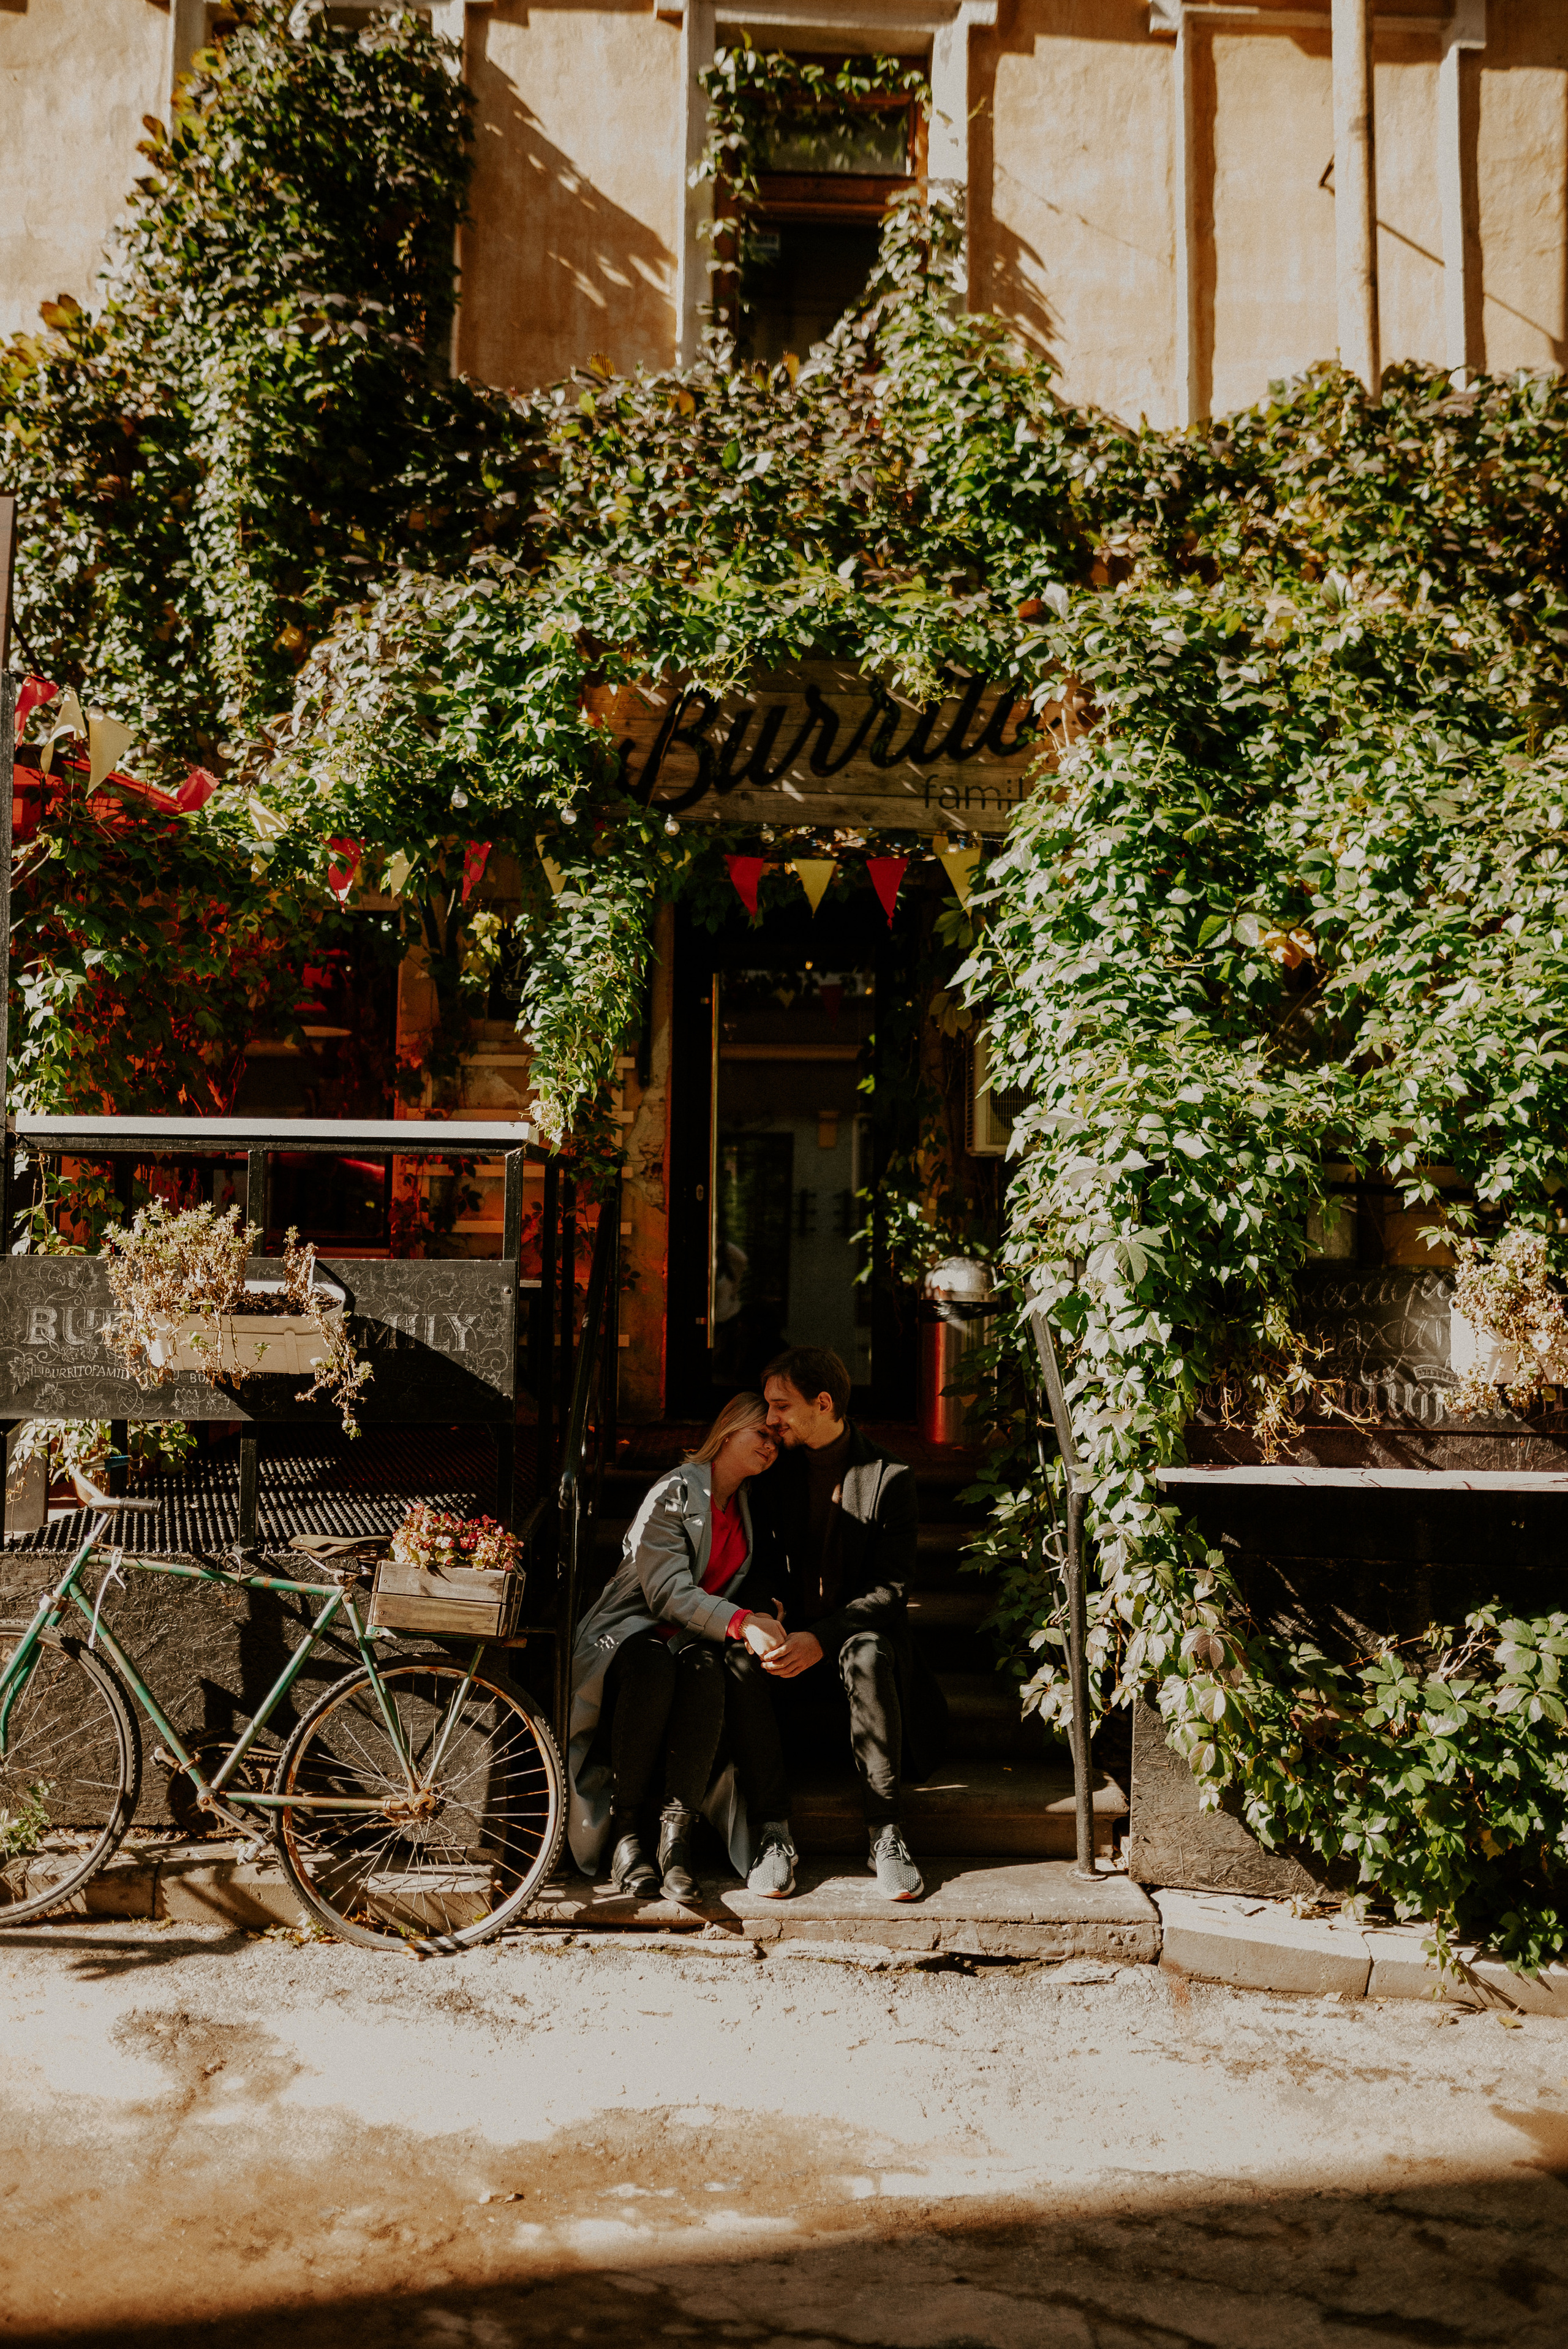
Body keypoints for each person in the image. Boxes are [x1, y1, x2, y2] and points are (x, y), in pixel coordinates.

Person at [565, 1393, 791, 1904]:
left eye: (778, 1440)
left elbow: (741, 1580)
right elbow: (664, 1591)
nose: (771, 1446)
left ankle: (676, 1843)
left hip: (692, 1637)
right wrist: (740, 1622)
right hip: (630, 1630)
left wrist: (762, 1616)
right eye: (762, 1434)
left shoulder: (748, 1506)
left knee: (708, 1671)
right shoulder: (674, 1490)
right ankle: (626, 1838)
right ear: (730, 1430)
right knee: (651, 1668)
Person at [744, 1345, 948, 1901]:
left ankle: (886, 1833)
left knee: (868, 1654)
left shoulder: (889, 1475)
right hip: (788, 1632)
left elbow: (891, 1591)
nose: (770, 1420)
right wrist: (766, 1613)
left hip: (854, 1636)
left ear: (824, 1403)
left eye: (781, 1406)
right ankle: (771, 1832)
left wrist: (821, 1638)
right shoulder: (769, 1472)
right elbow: (756, 1561)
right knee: (739, 1657)